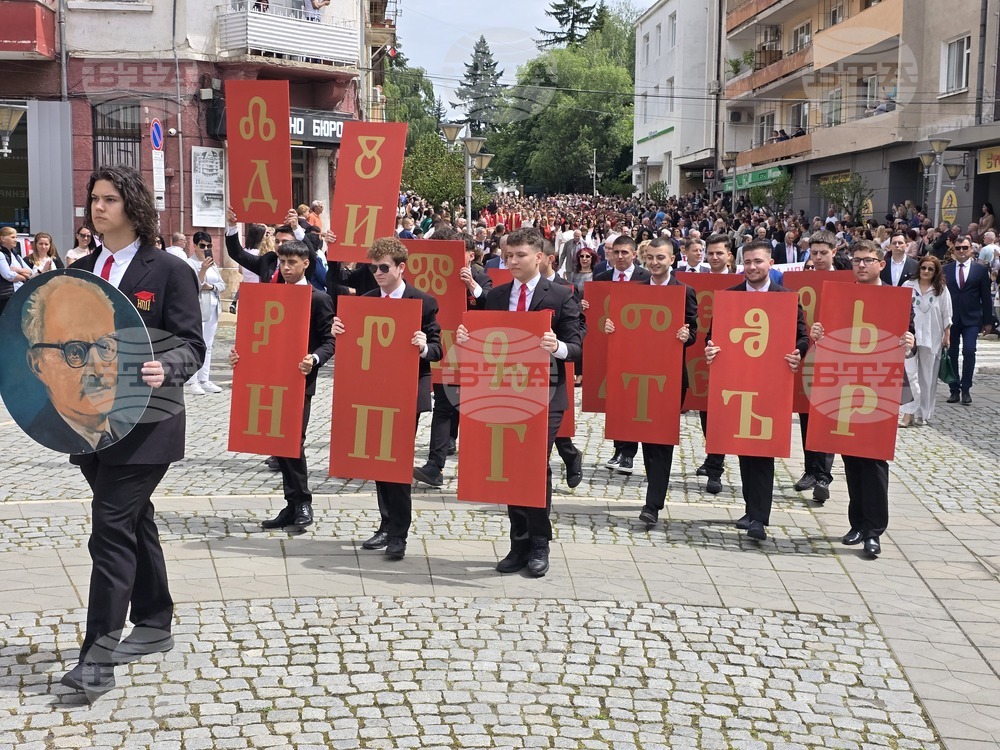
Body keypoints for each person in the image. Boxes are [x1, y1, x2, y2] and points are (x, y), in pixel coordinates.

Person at [60, 164, 206, 699]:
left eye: (109, 200)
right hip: (94, 423)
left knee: (110, 529)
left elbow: (193, 345)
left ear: (132, 207)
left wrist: (164, 366)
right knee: (135, 519)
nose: (98, 208)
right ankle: (155, 618)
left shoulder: (168, 270)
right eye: (94, 199)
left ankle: (97, 657)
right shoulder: (82, 268)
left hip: (149, 424)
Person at [457, 227, 582, 577]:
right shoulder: (495, 297)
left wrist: (555, 347)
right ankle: (518, 543)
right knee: (512, 466)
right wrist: (467, 337)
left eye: (520, 255)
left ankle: (539, 543)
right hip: (506, 394)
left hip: (547, 396)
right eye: (507, 255)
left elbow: (577, 345)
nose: (512, 262)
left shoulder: (560, 296)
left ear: (539, 257)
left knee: (533, 466)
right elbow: (485, 341)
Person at [336, 237, 442, 561]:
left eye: (383, 267)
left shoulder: (423, 302)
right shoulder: (365, 300)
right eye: (373, 267)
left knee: (396, 463)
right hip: (374, 391)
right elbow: (355, 350)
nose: (377, 273)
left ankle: (399, 534)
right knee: (378, 461)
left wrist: (423, 345)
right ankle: (386, 523)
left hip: (407, 391)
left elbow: (438, 350)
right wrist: (341, 331)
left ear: (400, 267)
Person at [810, 240, 915, 558]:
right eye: (855, 260)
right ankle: (856, 524)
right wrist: (818, 334)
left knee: (873, 460)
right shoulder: (840, 298)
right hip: (845, 383)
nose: (860, 265)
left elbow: (909, 336)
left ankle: (874, 531)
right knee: (851, 458)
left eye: (867, 260)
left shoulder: (895, 299)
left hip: (878, 384)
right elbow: (829, 335)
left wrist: (909, 341)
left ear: (881, 264)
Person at [703, 239, 810, 542]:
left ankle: (759, 519)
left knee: (763, 451)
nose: (752, 267)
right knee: (745, 452)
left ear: (770, 264)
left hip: (771, 381)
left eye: (758, 262)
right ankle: (751, 510)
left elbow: (802, 336)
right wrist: (710, 350)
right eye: (747, 262)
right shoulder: (729, 297)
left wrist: (797, 352)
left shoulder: (787, 298)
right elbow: (711, 337)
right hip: (738, 383)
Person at [231, 240, 335, 532]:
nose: (286, 268)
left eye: (292, 262)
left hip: (299, 380)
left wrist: (313, 358)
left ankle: (302, 502)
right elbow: (255, 335)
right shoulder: (269, 295)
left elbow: (330, 341)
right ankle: (291, 505)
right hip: (270, 378)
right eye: (282, 262)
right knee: (279, 444)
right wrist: (239, 354)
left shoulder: (318, 298)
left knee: (293, 443)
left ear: (305, 264)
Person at [604, 238, 697, 524]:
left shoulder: (685, 291)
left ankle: (652, 504)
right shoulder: (635, 291)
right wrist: (612, 327)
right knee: (646, 437)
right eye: (651, 258)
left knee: (661, 439)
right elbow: (627, 331)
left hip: (669, 378)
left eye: (661, 258)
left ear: (672, 259)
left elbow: (694, 330)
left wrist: (686, 335)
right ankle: (653, 496)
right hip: (640, 376)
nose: (655, 263)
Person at [412, 229, 492, 488]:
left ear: (470, 254)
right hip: (446, 353)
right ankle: (435, 466)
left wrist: (472, 286)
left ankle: (482, 466)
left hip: (478, 355)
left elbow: (494, 305)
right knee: (444, 408)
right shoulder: (429, 276)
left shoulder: (481, 278)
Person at [21, 275, 128, 454]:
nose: (100, 370)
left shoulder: (127, 425)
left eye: (106, 346)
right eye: (75, 352)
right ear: (38, 364)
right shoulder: (44, 434)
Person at [790, 230, 839, 502]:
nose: (818, 258)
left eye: (823, 253)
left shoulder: (845, 279)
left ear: (834, 252)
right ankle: (810, 470)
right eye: (814, 253)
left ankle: (824, 476)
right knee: (807, 414)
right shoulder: (802, 282)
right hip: (808, 354)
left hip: (835, 357)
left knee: (827, 416)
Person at [901, 255, 952, 426]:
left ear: (936, 272)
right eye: (924, 268)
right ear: (919, 268)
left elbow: (947, 314)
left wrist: (947, 335)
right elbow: (897, 309)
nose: (926, 271)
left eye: (931, 269)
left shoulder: (941, 289)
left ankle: (923, 413)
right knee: (909, 375)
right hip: (909, 337)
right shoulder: (908, 286)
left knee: (927, 377)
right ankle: (908, 413)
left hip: (933, 337)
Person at [944, 235, 993, 405]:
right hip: (951, 318)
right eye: (958, 248)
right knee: (951, 354)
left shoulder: (980, 270)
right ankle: (954, 389)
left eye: (965, 247)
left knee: (969, 351)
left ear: (971, 249)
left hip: (972, 318)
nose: (962, 251)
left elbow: (986, 297)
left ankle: (966, 388)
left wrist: (988, 321)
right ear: (954, 251)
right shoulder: (946, 270)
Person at [186, 231, 226, 395]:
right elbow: (193, 284)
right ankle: (192, 380)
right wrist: (202, 271)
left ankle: (205, 378)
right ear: (194, 246)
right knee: (197, 343)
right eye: (202, 246)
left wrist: (212, 287)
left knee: (208, 345)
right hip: (199, 306)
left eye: (209, 246)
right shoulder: (190, 263)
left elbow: (222, 284)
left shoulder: (213, 264)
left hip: (214, 305)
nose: (206, 249)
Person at [0, 226, 33, 317]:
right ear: (2, 238)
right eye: (12, 237)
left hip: (17, 293)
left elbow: (30, 272)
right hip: (5, 296)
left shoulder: (15, 255)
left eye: (16, 237)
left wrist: (17, 270)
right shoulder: (1, 254)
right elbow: (8, 275)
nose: (15, 240)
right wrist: (23, 277)